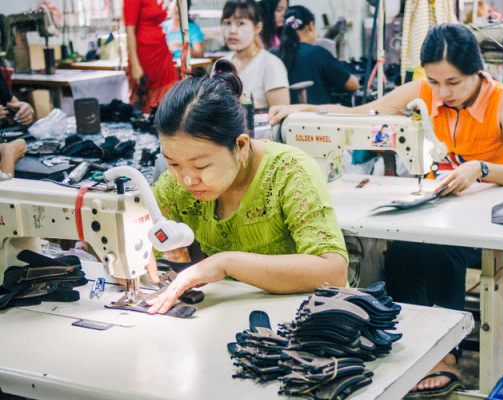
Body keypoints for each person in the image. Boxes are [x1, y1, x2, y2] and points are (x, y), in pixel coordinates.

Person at [269, 23, 503, 398]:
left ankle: (445, 353)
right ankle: (408, 343)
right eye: (435, 81)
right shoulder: (424, 91)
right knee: (402, 249)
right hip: (441, 209)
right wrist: (305, 110)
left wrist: (480, 169)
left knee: (439, 248)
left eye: (453, 83)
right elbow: (359, 113)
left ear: (477, 71)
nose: (442, 92)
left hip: (490, 220)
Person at [143, 59, 348, 314]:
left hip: (307, 320)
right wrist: (129, 253)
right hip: (232, 316)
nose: (187, 180)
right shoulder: (177, 186)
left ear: (240, 146)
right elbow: (136, 226)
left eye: (201, 166)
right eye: (173, 163)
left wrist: (225, 264)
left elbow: (333, 271)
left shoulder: (290, 172)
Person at [276, 6, 359, 105]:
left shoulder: (274, 54)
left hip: (284, 113)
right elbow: (353, 85)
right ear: (311, 25)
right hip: (316, 113)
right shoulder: (318, 53)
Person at [221, 0, 290, 110]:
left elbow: (281, 113)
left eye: (240, 23)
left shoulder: (271, 64)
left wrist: (245, 104)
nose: (232, 31)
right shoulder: (221, 65)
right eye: (227, 23)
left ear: (257, 28)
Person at [124, 0, 180, 112]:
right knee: (148, 104)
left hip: (162, 51)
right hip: (145, 55)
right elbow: (129, 31)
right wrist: (135, 65)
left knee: (172, 98)